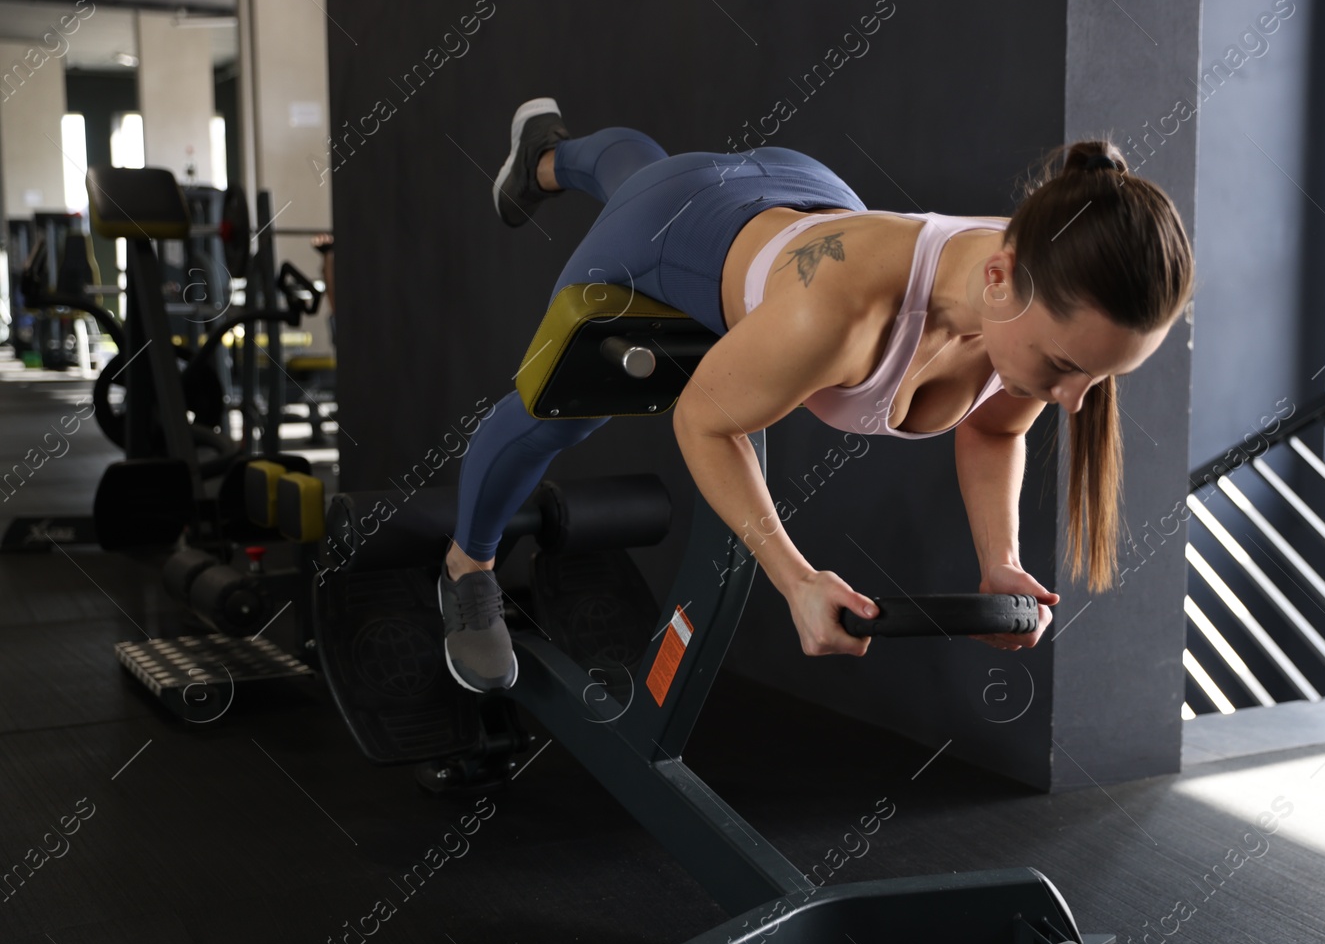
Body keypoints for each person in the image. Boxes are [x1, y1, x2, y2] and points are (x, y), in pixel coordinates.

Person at [437, 97, 1194, 694]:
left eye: (1098, 378)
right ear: (997, 278)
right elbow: (703, 422)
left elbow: (995, 431)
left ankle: (546, 149)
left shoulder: (1049, 266)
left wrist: (1000, 559)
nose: (1072, 399)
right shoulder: (840, 313)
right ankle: (466, 569)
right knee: (565, 406)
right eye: (1066, 368)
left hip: (804, 190)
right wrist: (796, 580)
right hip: (673, 233)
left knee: (655, 171)